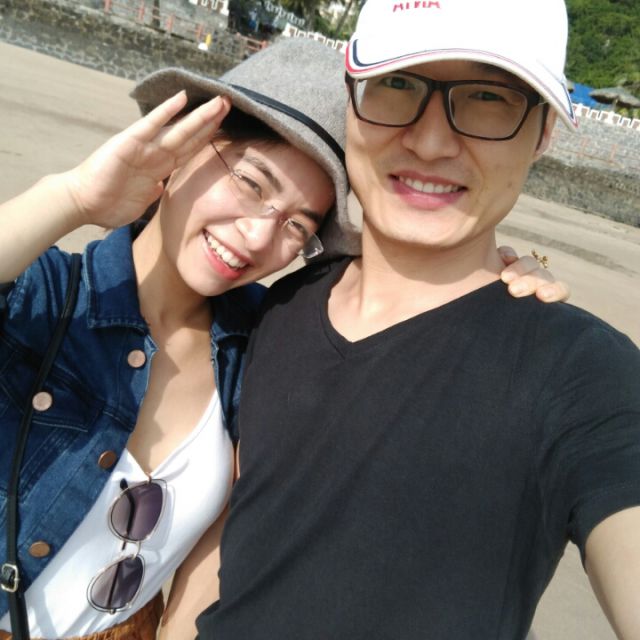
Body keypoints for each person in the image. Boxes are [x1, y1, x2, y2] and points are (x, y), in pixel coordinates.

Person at [0, 39, 560, 640]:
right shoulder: (45, 297)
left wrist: (490, 281)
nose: (257, 236)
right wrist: (73, 198)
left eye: (298, 225)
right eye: (251, 183)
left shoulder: (259, 342)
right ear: (182, 150)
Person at [194, 2, 640, 639]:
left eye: (488, 98)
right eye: (398, 84)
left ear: (543, 132)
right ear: (351, 98)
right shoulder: (277, 306)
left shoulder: (585, 373)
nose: (430, 142)